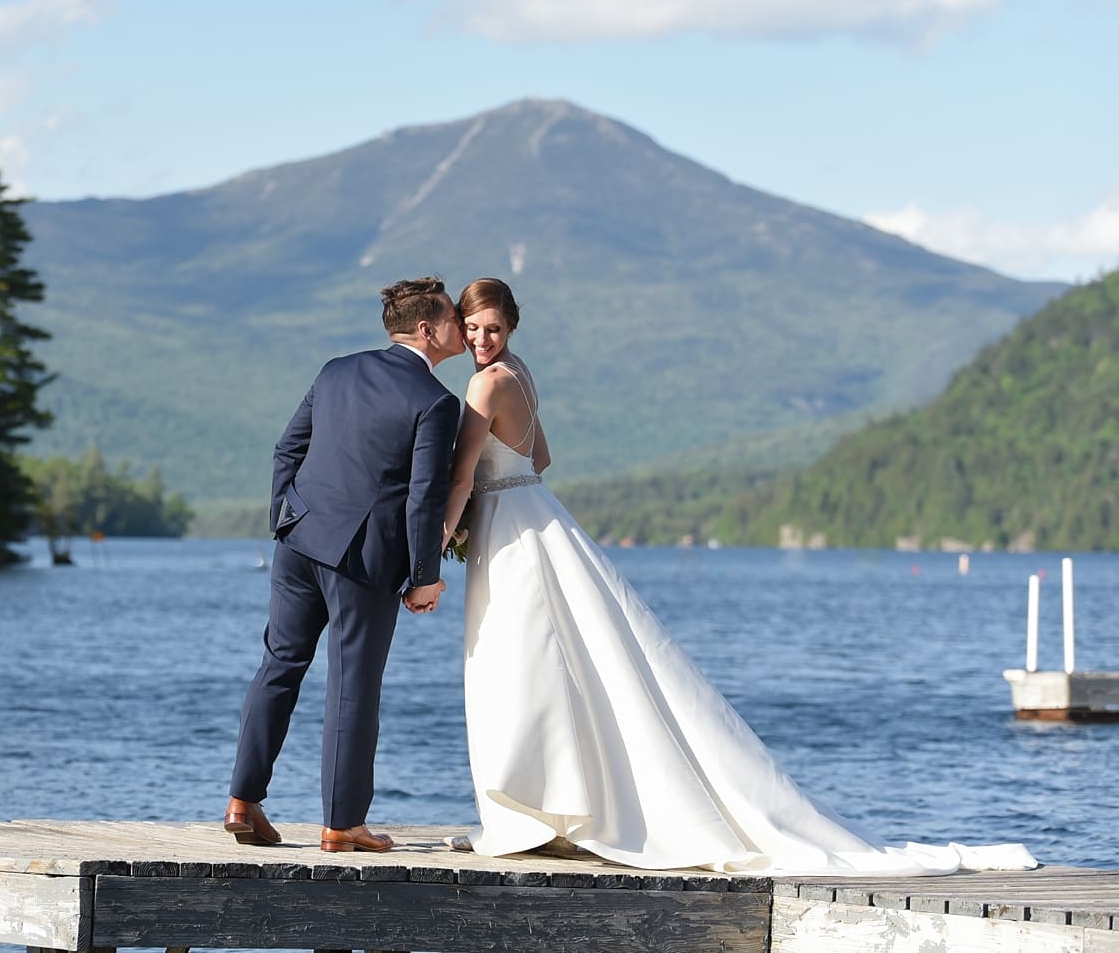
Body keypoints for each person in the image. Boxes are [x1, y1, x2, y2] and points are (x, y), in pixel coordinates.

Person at [443, 276, 1034, 875]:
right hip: (536, 512)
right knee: (553, 664)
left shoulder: (485, 383)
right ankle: (551, 816)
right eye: (472, 329)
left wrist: (436, 541)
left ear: (510, 325)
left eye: (492, 328)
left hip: (509, 530)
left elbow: (463, 475)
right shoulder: (520, 372)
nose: (481, 339)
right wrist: (502, 483)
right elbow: (541, 457)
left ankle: (535, 817)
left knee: (520, 665)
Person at [224, 276, 465, 853]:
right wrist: (425, 576)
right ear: (427, 330)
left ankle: (242, 801)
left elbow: (288, 449)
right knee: (353, 685)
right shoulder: (436, 401)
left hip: (298, 542)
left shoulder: (336, 371)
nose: (462, 324)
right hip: (363, 559)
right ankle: (343, 824)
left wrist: (287, 518)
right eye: (454, 317)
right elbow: (424, 498)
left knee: (279, 664)